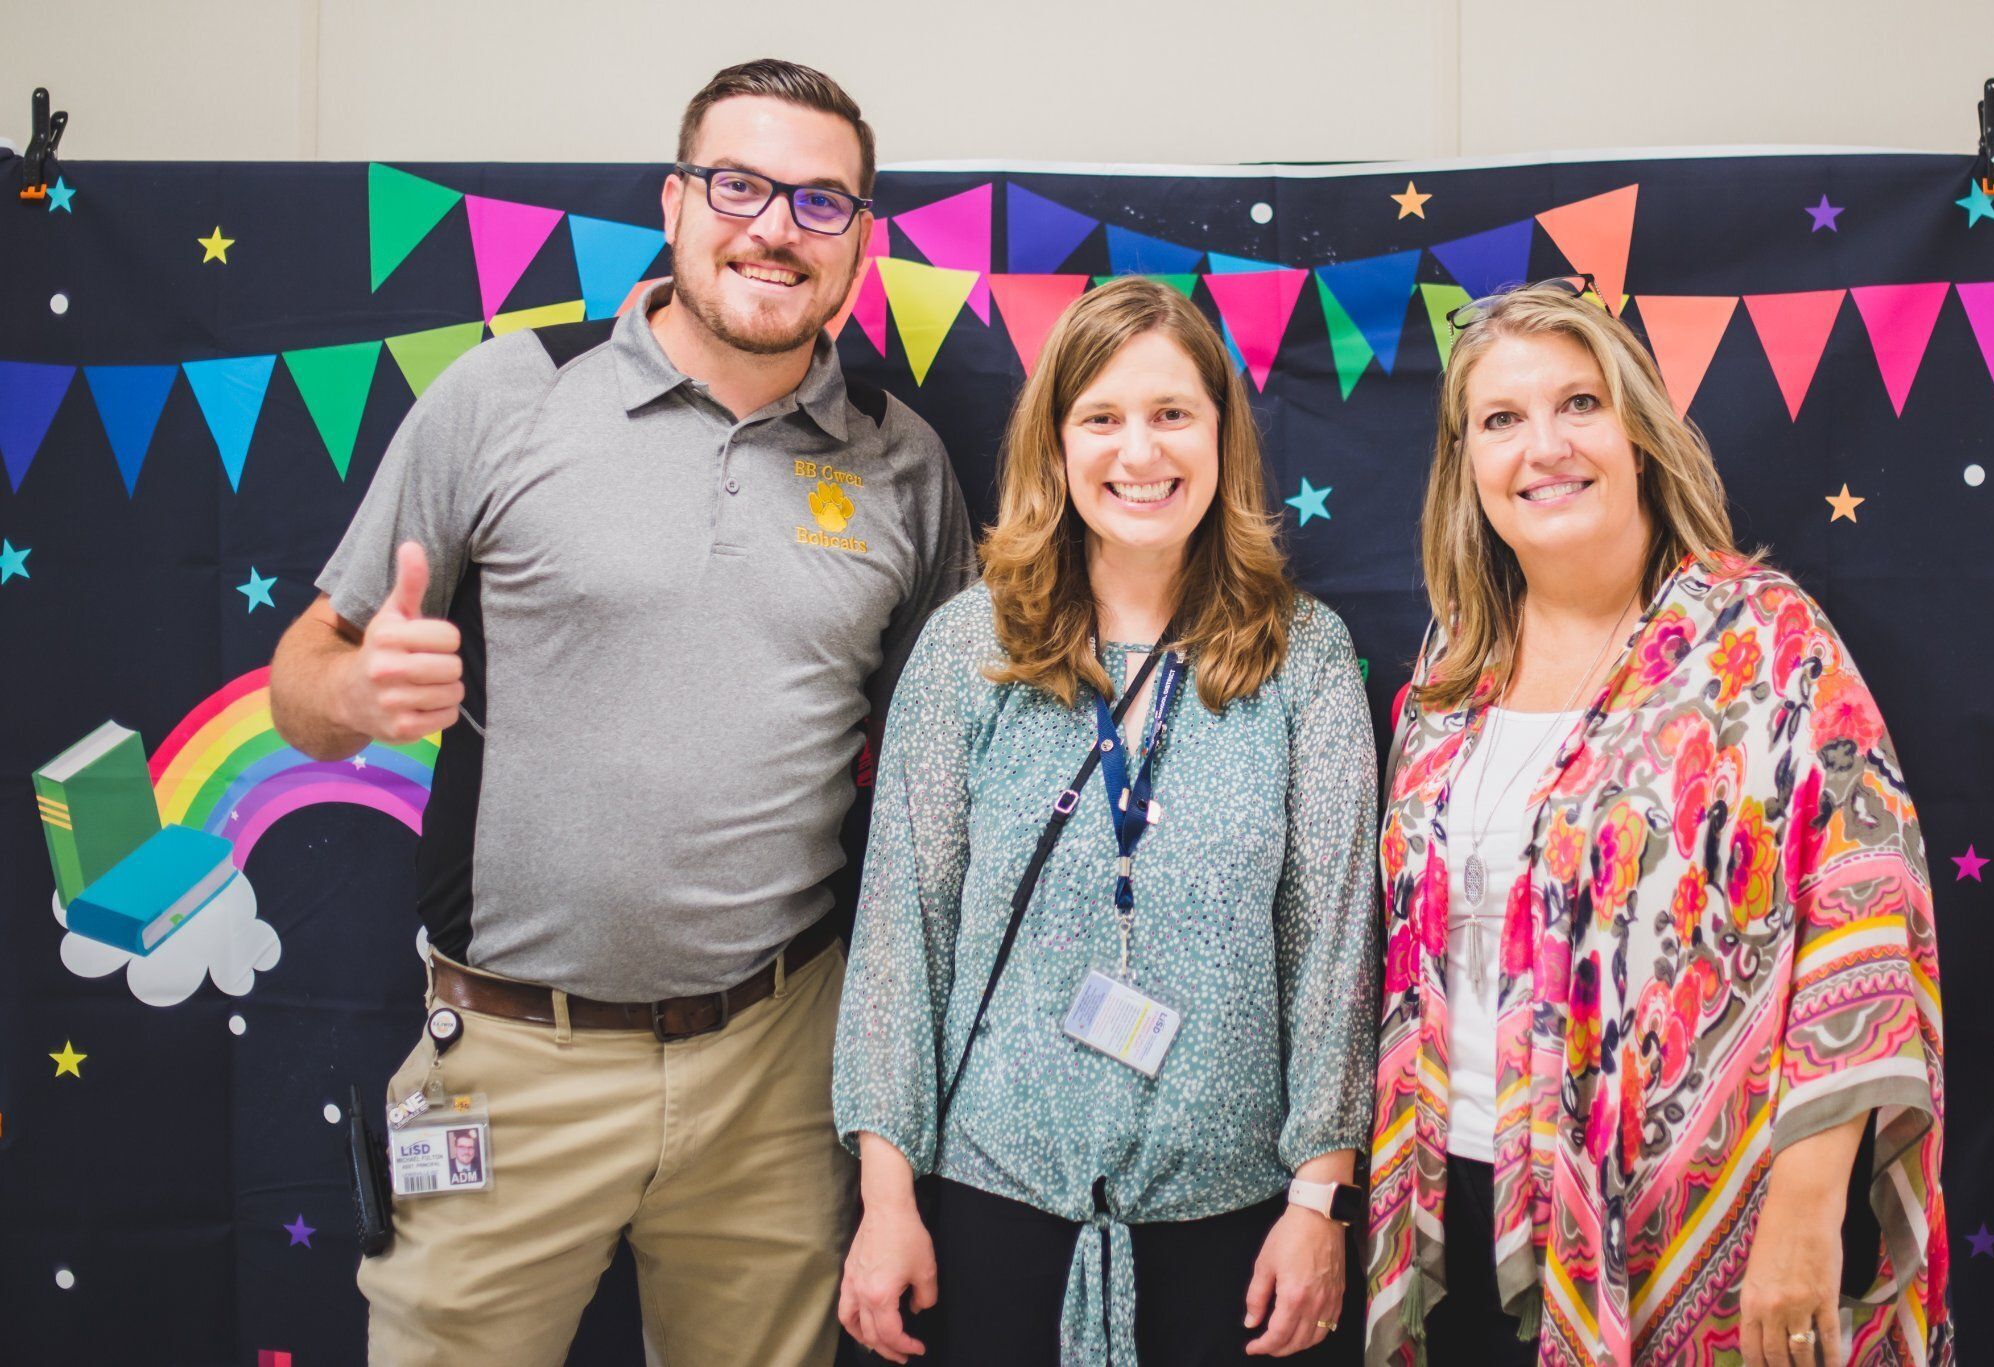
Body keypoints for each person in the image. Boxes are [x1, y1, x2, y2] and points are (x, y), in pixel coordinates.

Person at [268, 59, 972, 1367]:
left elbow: (948, 762)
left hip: (778, 1063)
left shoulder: (903, 460)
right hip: (509, 1063)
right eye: (742, 185)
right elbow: (300, 679)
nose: (775, 227)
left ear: (862, 242)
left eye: (822, 202)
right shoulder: (507, 395)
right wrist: (359, 689)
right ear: (675, 199)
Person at [1361, 280, 1952, 1366]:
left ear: (1634, 428)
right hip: (1471, 1194)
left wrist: (1805, 1213)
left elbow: (1863, 917)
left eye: (1576, 402)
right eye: (1500, 419)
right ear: (1466, 465)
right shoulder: (1448, 676)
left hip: (1710, 1220)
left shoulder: (1758, 636)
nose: (1543, 445)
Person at [833, 277, 1380, 1366]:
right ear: (1055, 443)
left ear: (1221, 433)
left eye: (1172, 413)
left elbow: (1331, 949)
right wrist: (886, 1199)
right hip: (985, 1205)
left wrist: (1317, 1203)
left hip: (1236, 1222)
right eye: (1102, 417)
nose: (1140, 451)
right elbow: (903, 929)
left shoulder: (1299, 656)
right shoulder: (967, 648)